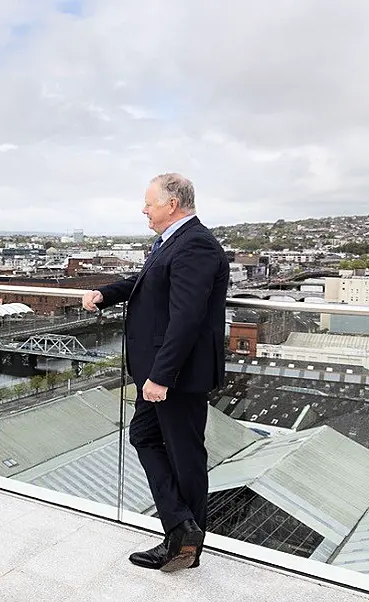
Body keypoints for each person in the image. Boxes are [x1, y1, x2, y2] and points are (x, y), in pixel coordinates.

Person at [81, 173, 228, 572]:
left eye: (149, 202)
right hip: (161, 371)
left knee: (186, 457)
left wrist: (161, 376)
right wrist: (106, 294)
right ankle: (181, 528)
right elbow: (148, 285)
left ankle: (185, 544)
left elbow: (186, 318)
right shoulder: (173, 241)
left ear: (173, 204)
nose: (143, 209)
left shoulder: (195, 244)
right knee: (146, 436)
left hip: (177, 374)